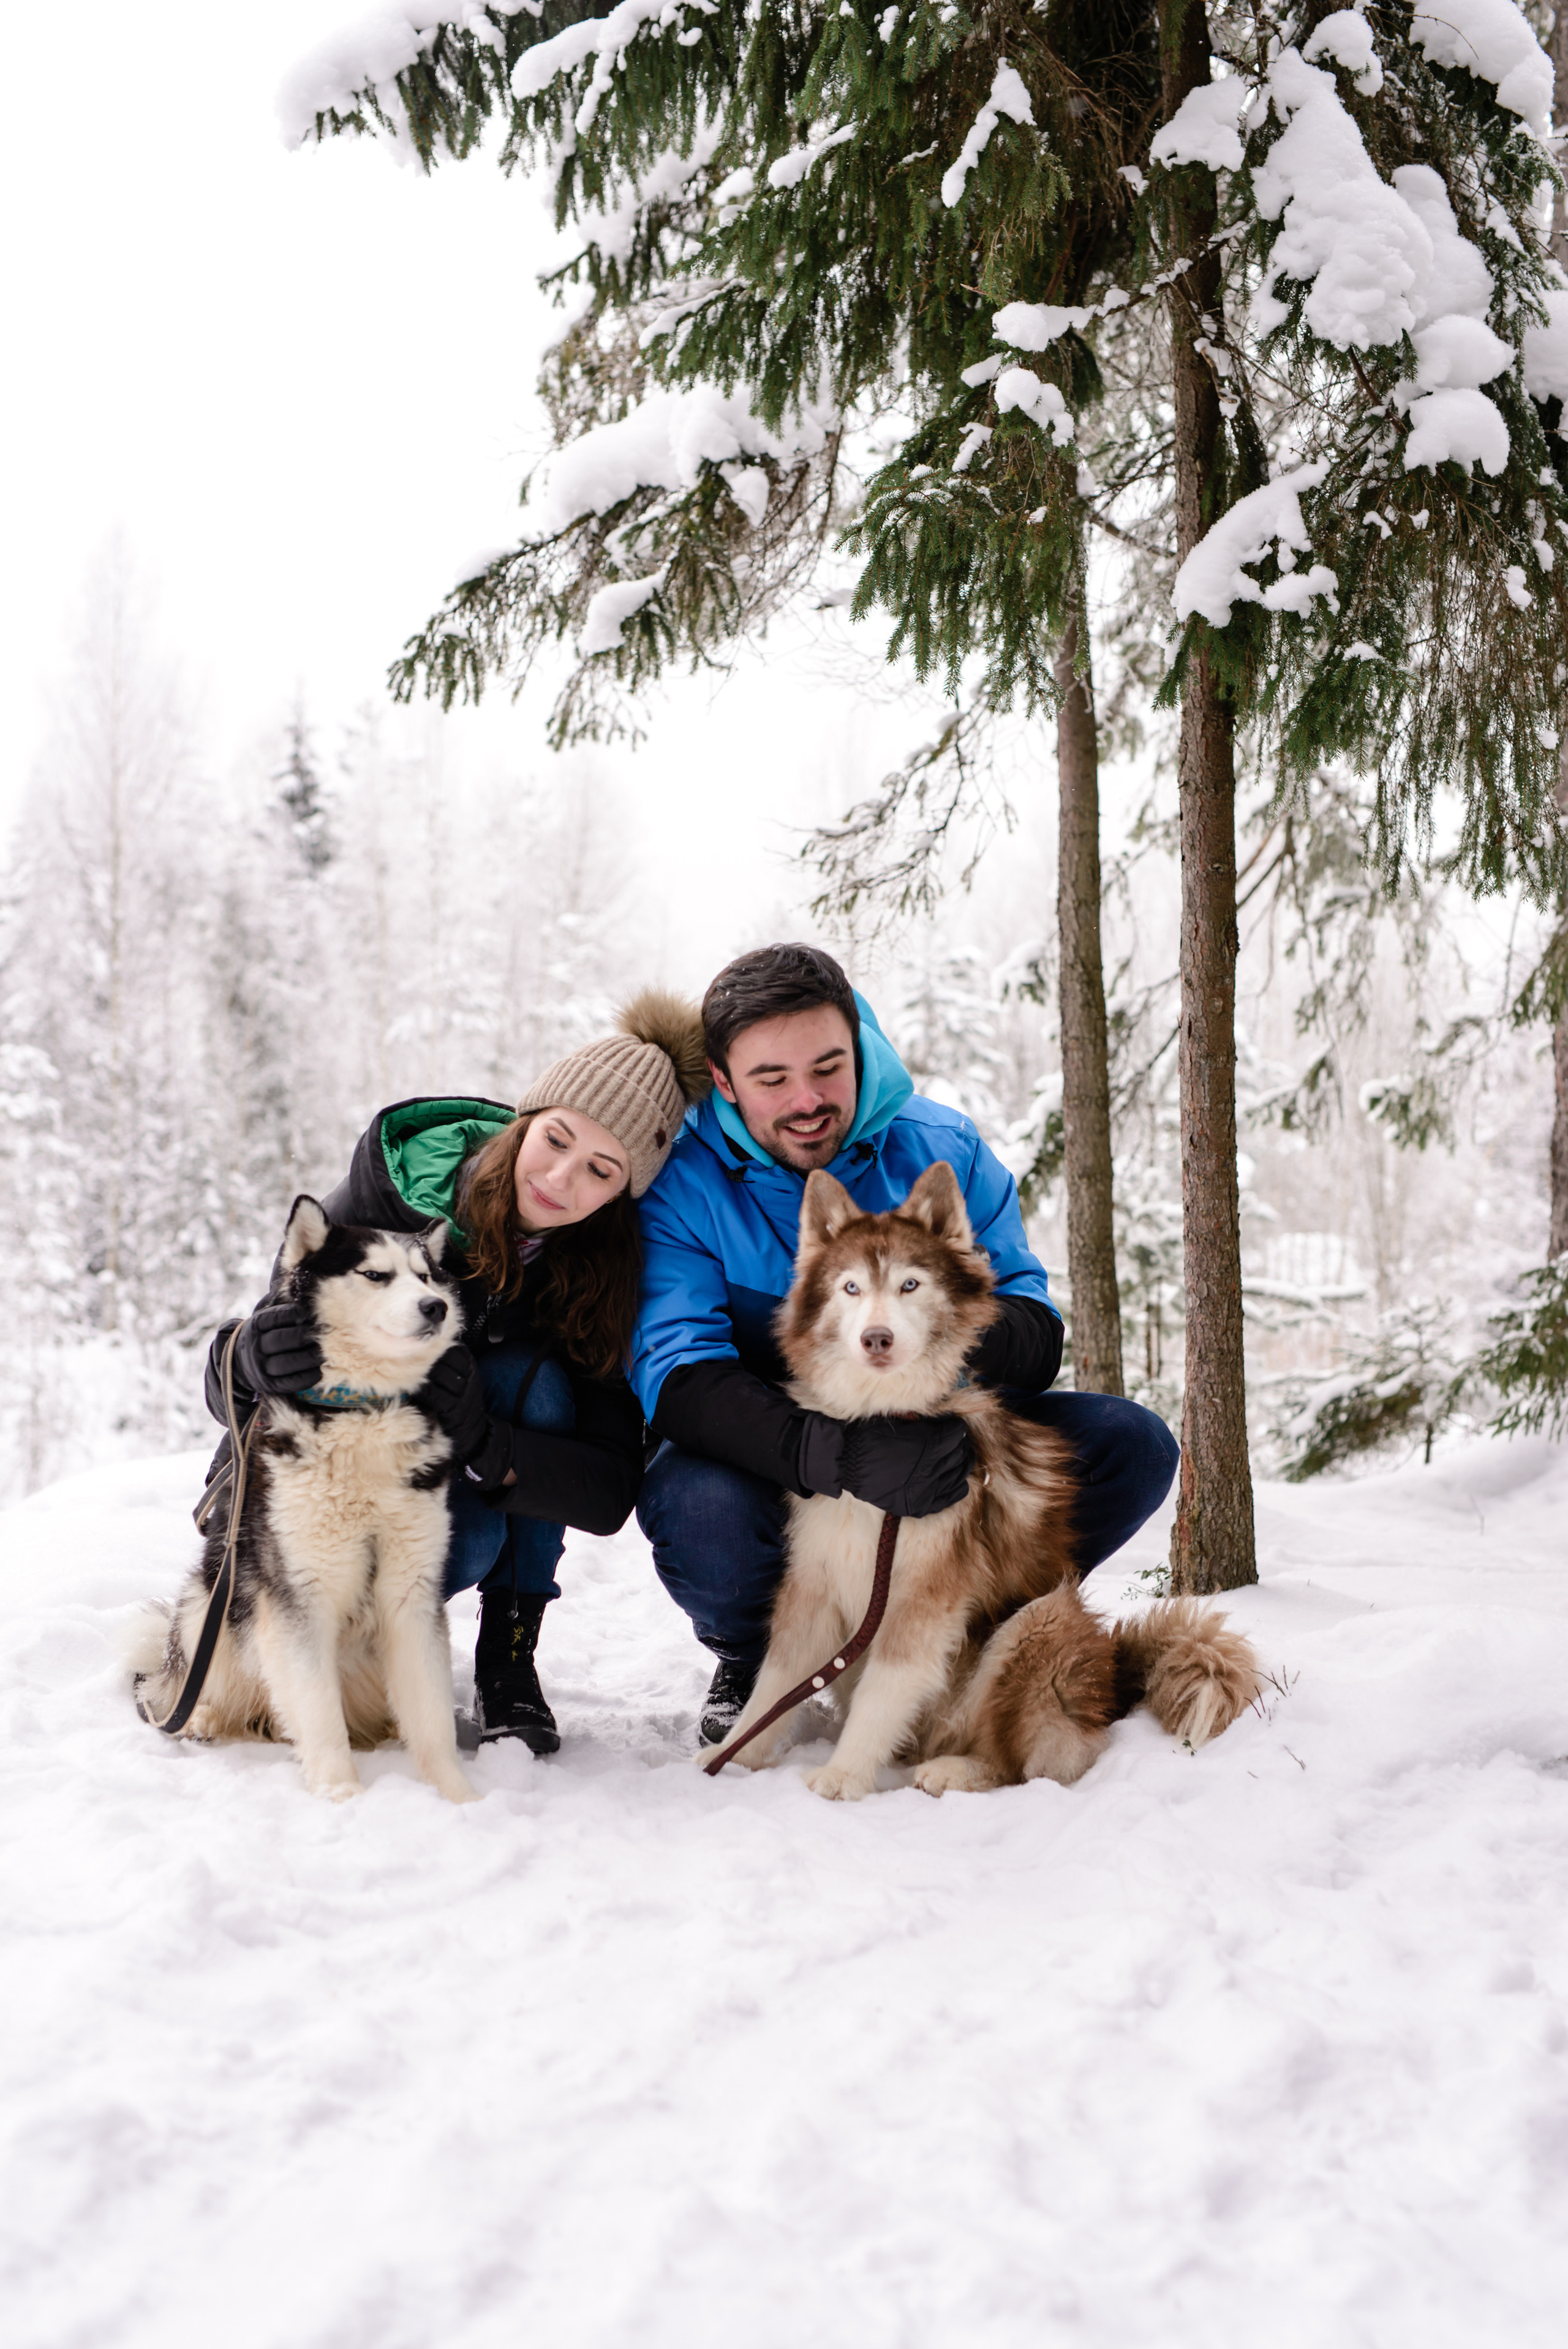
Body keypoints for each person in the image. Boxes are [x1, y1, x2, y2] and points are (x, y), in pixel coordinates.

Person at [632, 943, 1181, 1744]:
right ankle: (755, 1654)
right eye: (772, 1079)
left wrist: (930, 1387)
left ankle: (975, 1622)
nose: (809, 1099)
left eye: (828, 1066)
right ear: (722, 1080)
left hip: (942, 1439)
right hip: (778, 1458)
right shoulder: (684, 1182)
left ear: (857, 1045)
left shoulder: (939, 1147)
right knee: (698, 1505)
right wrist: (840, 1453)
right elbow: (678, 1374)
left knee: (1126, 1444)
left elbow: (1030, 1321)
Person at [205, 993, 710, 1754]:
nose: (562, 1178)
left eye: (602, 1169)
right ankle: (320, 1651)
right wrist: (246, 1358)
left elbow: (607, 1491)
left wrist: (483, 1438)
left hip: (446, 1498)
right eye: (557, 1139)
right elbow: (233, 1396)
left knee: (532, 1385)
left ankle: (508, 1657)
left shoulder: (603, 1271)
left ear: (622, 1191)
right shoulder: (389, 1203)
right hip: (317, 1509)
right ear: (526, 1120)